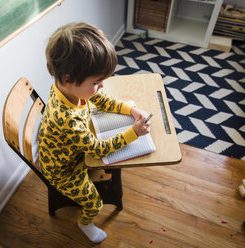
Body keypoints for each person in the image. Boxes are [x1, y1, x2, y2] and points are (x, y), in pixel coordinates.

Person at [38, 22, 151, 243]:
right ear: (68, 79)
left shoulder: (65, 88)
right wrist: (134, 133)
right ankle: (84, 223)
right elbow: (98, 150)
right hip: (64, 171)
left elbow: (99, 98)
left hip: (67, 152)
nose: (100, 87)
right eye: (97, 82)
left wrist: (130, 109)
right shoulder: (68, 119)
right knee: (94, 202)